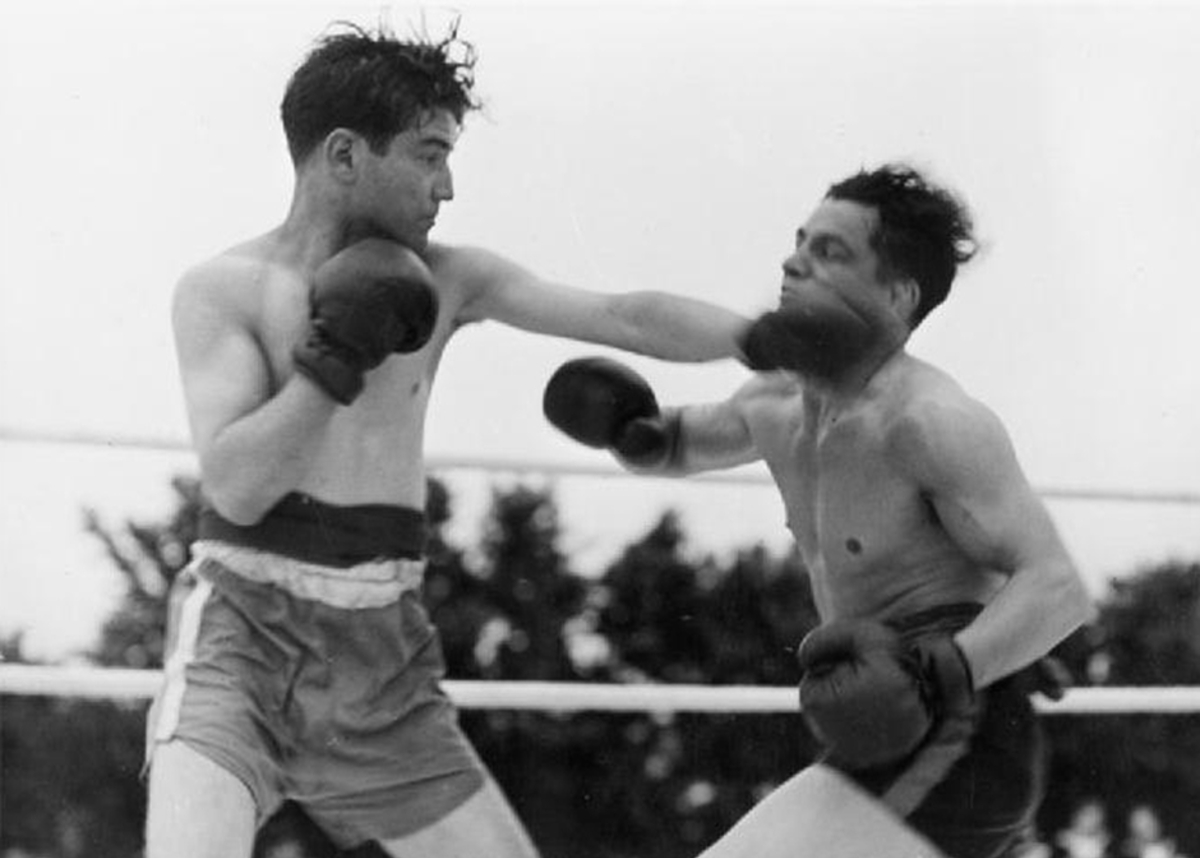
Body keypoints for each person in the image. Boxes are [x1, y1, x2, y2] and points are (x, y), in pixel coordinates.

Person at [148, 20, 750, 858]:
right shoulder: (223, 292)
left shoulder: (452, 278)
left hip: (382, 657)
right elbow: (239, 488)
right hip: (240, 643)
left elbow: (620, 316)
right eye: (430, 154)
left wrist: (765, 339)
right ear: (347, 155)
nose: (449, 186)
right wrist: (332, 358)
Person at [543, 163, 1095, 858]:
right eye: (800, 241)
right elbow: (679, 443)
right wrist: (629, 430)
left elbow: (1058, 587)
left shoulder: (926, 422)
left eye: (829, 252)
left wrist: (943, 671)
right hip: (888, 731)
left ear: (897, 295)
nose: (792, 261)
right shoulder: (776, 400)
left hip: (958, 731)